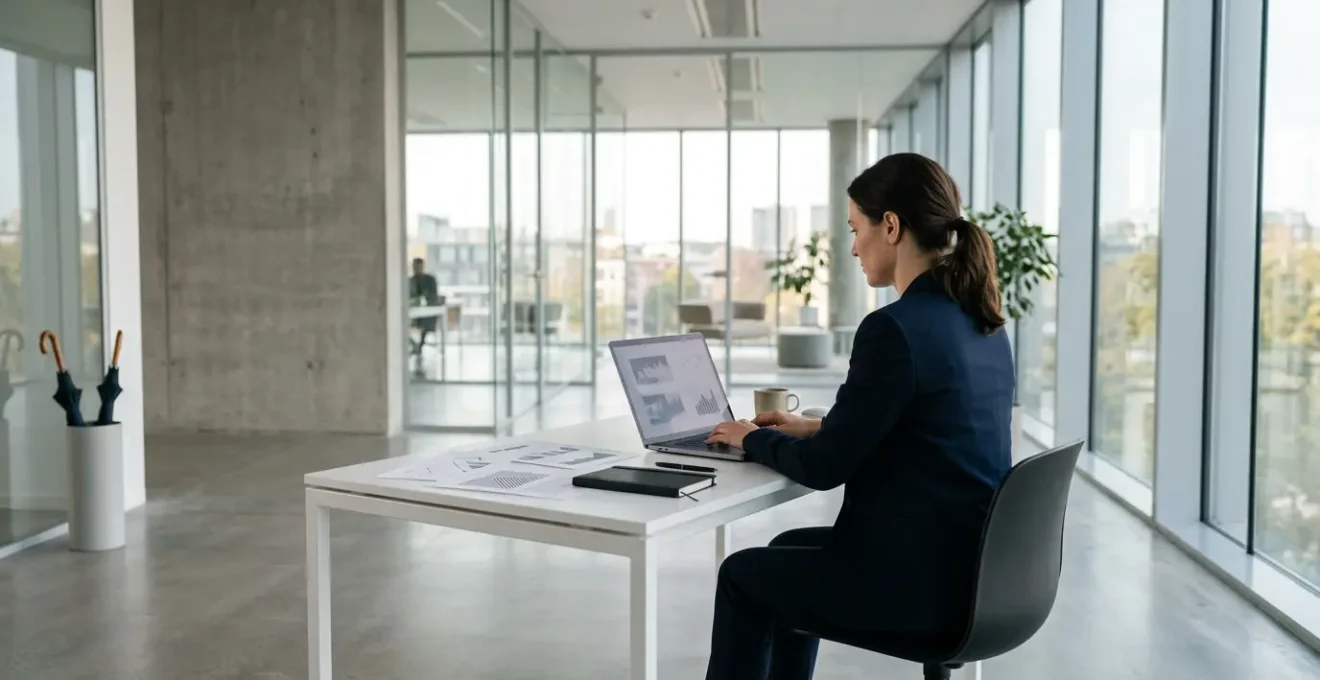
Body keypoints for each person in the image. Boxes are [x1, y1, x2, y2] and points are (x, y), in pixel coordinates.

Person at [703, 152, 1015, 680]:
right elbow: (931, 428)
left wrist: (747, 439)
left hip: (917, 588)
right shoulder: (981, 321)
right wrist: (816, 426)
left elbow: (824, 470)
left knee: (741, 576)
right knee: (786, 550)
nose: (852, 247)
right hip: (976, 571)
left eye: (856, 228)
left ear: (890, 226)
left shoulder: (894, 328)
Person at [409, 258, 442, 359]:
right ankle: (416, 345)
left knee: (426, 322)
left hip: (429, 311)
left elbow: (434, 296)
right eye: (415, 267)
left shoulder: (430, 280)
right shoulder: (411, 281)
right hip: (413, 310)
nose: (417, 269)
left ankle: (419, 345)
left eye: (419, 266)